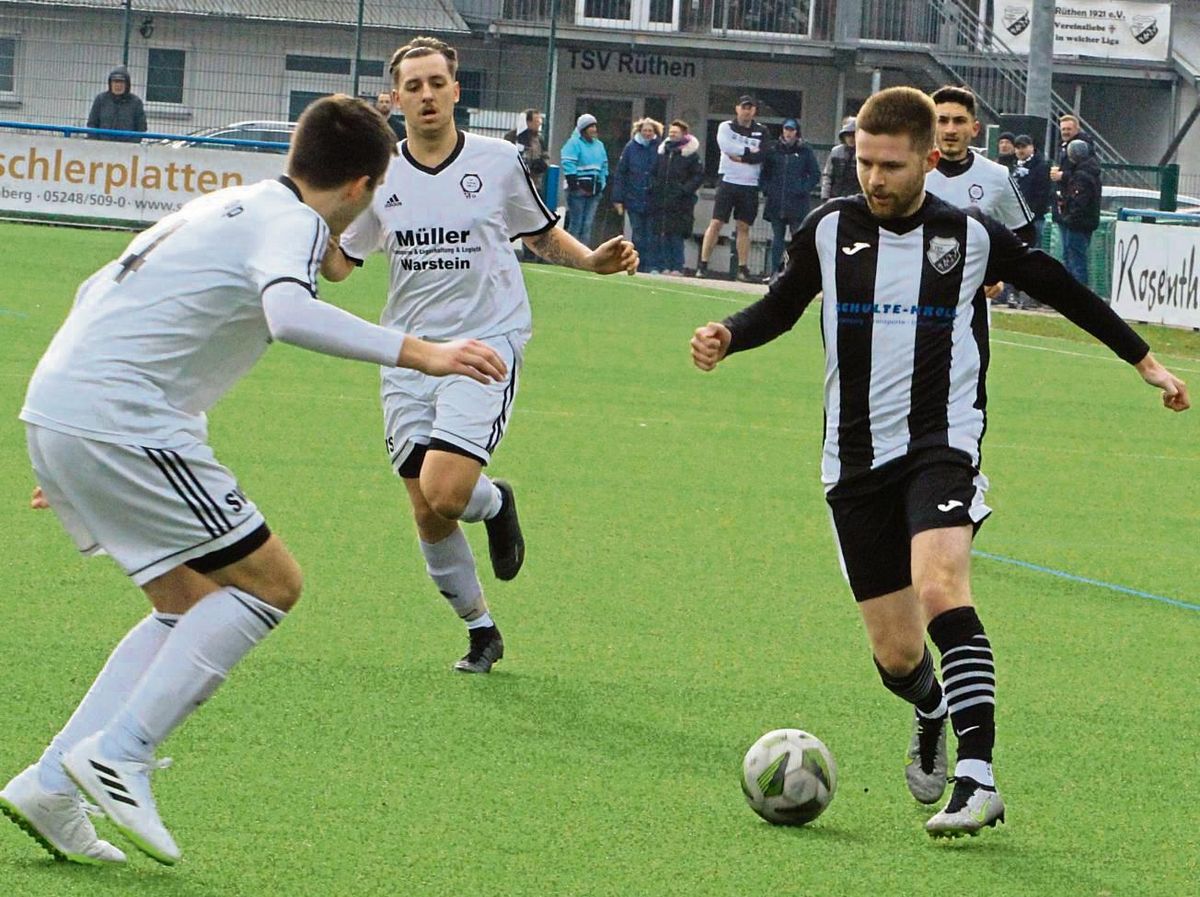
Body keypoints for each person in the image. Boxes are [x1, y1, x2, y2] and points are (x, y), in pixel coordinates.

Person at [0, 95, 510, 867]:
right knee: (272, 583)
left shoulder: (222, 204)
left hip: (67, 408)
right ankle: (122, 753)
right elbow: (290, 315)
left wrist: (76, 448)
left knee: (187, 604)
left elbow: (100, 295)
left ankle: (49, 784)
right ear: (363, 187)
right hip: (117, 420)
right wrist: (427, 351)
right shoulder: (297, 222)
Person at [690, 86, 1189, 839]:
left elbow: (1062, 287)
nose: (875, 179)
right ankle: (931, 706)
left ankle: (978, 775)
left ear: (929, 158)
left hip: (942, 443)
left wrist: (1145, 361)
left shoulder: (970, 234)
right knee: (895, 653)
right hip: (853, 456)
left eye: (890, 165)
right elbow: (783, 305)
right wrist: (728, 332)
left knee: (940, 584)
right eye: (864, 162)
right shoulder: (828, 230)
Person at [321, 37, 637, 676]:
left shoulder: (498, 161)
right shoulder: (378, 175)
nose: (427, 95)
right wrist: (309, 225)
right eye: (414, 86)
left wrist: (591, 261)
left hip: (486, 342)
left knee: (445, 489)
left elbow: (541, 235)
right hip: (410, 353)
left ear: (456, 91)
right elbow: (339, 267)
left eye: (437, 82)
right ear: (396, 98)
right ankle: (481, 630)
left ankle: (492, 503)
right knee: (424, 504)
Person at [925, 86, 1036, 307]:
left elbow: (1024, 231)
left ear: (975, 128)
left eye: (959, 121)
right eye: (942, 120)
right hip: (915, 295)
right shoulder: (909, 170)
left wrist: (997, 274)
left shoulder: (997, 176)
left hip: (971, 302)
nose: (950, 129)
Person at [695, 95, 767, 282]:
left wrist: (742, 157)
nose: (747, 111)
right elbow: (726, 146)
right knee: (717, 222)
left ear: (754, 111)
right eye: (744, 107)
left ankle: (743, 268)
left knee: (744, 227)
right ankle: (702, 265)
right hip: (728, 181)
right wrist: (748, 152)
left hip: (750, 184)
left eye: (750, 108)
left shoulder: (762, 131)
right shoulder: (726, 127)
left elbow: (764, 153)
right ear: (737, 108)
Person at [760, 118, 820, 278]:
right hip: (776, 202)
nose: (788, 133)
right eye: (786, 129)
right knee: (777, 239)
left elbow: (815, 174)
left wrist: (802, 189)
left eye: (792, 130)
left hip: (797, 203)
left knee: (797, 239)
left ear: (796, 132)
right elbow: (764, 174)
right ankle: (774, 272)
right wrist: (767, 190)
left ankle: (796, 273)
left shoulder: (805, 151)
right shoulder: (773, 150)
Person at [649, 119, 703, 276]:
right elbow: (653, 172)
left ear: (684, 134)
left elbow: (698, 176)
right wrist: (654, 187)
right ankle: (663, 266)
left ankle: (677, 267)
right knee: (662, 234)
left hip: (681, 203)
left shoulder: (691, 155)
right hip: (661, 200)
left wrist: (684, 190)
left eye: (675, 132)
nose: (672, 134)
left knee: (676, 235)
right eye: (671, 132)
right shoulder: (663, 152)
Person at [612, 117, 663, 273]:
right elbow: (621, 173)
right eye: (644, 130)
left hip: (653, 199)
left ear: (655, 132)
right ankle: (638, 264)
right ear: (639, 131)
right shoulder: (630, 147)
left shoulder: (660, 148)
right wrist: (618, 198)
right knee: (638, 234)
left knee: (652, 235)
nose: (647, 133)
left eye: (650, 131)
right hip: (634, 197)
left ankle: (652, 266)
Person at [560, 112, 609, 246]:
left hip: (594, 191)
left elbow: (604, 166)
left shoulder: (599, 145)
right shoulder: (573, 143)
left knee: (587, 225)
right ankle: (571, 255)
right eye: (590, 126)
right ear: (583, 129)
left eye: (594, 126)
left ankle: (583, 258)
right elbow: (568, 163)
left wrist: (601, 183)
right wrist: (574, 184)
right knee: (576, 224)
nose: (594, 129)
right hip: (577, 190)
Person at [1057, 138, 1102, 285]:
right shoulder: (1090, 172)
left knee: (1075, 261)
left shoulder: (1081, 175)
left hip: (1077, 223)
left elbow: (1079, 202)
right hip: (1084, 222)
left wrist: (1068, 217)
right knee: (1076, 259)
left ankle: (1078, 296)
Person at [86, 65, 146, 142]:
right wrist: (96, 143)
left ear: (127, 84)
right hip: (102, 147)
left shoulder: (136, 103)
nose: (118, 85)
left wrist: (132, 144)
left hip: (127, 148)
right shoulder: (101, 100)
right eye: (115, 81)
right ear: (110, 83)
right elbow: (92, 124)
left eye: (121, 82)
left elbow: (141, 127)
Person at [503, 108, 550, 182]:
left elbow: (545, 156)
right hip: (514, 180)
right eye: (536, 121)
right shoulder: (512, 136)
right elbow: (505, 155)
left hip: (534, 181)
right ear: (528, 122)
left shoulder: (539, 139)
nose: (539, 124)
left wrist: (542, 164)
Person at [821, 117, 858, 201]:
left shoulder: (864, 154)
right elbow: (828, 175)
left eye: (854, 135)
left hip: (856, 198)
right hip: (835, 196)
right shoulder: (835, 152)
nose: (851, 139)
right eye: (848, 135)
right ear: (843, 137)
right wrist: (825, 196)